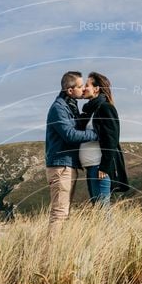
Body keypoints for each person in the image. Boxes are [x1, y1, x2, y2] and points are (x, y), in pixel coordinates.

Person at [45, 71, 98, 231]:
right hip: (61, 167)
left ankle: (56, 251)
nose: (83, 89)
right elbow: (69, 135)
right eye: (80, 86)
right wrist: (97, 134)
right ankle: (51, 254)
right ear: (70, 90)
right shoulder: (58, 108)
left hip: (68, 165)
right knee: (60, 213)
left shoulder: (71, 106)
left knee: (64, 213)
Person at [77, 71, 130, 205]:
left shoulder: (105, 108)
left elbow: (111, 138)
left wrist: (104, 167)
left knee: (102, 211)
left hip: (99, 168)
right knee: (97, 209)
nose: (83, 88)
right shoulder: (91, 111)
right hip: (91, 168)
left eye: (87, 85)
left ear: (96, 89)